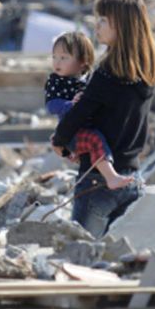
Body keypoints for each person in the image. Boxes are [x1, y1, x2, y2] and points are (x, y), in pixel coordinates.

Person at [51, 0, 155, 237]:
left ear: (122, 26)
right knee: (116, 261)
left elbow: (81, 113)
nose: (97, 25)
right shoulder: (146, 73)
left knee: (81, 255)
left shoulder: (107, 72)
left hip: (97, 184)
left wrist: (59, 140)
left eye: (103, 20)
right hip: (133, 180)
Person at [46, 32, 134, 190]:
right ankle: (111, 177)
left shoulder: (89, 80)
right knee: (94, 140)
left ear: (82, 62)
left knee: (99, 139)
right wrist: (71, 105)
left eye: (64, 57)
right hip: (72, 131)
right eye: (54, 57)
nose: (57, 62)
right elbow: (52, 105)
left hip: (86, 126)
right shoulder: (56, 82)